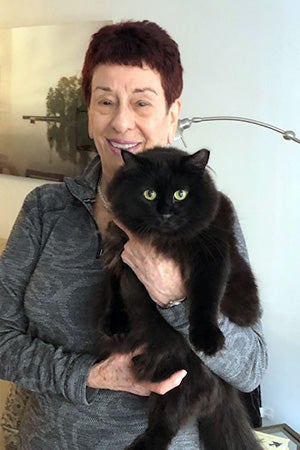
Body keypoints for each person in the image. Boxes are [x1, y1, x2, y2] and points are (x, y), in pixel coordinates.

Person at [0, 20, 267, 449]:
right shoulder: (45, 210)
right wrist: (90, 375)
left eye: (142, 103)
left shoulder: (210, 213)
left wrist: (176, 299)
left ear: (172, 115)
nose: (121, 122)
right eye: (105, 101)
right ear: (88, 113)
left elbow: (251, 365)